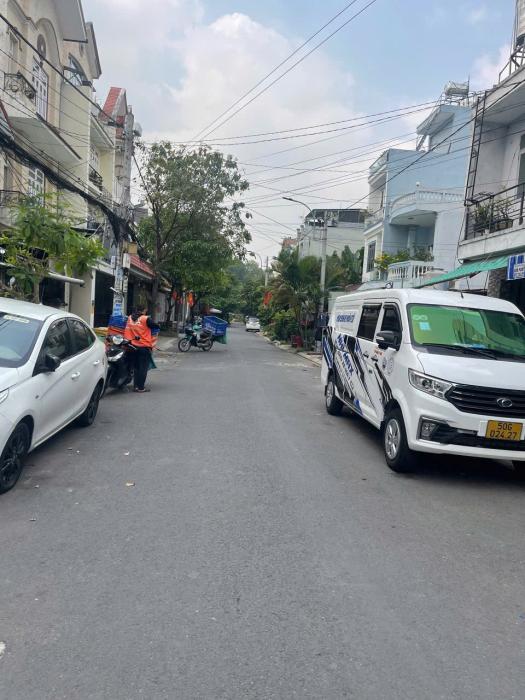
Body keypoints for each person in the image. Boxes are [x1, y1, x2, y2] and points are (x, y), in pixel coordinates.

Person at [124, 306, 159, 393]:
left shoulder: (130, 318)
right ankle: (141, 388)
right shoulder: (145, 319)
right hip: (144, 346)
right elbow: (156, 326)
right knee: (143, 368)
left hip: (132, 346)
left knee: (136, 367)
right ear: (144, 310)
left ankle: (136, 386)